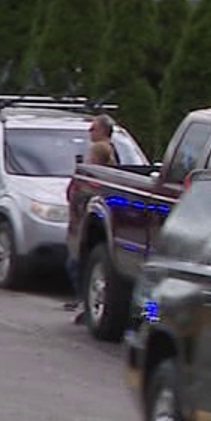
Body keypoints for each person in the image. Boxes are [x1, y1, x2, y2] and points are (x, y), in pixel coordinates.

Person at [66, 116, 120, 321]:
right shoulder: (110, 148)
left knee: (75, 263)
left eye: (93, 128)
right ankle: (86, 303)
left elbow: (90, 178)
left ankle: (85, 304)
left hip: (87, 215)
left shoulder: (100, 149)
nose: (89, 132)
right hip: (86, 214)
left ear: (104, 131)